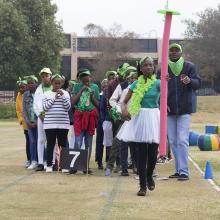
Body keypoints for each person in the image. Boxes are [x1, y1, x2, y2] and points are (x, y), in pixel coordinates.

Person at [117, 56, 160, 196]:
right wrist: (123, 109)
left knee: (153, 153)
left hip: (153, 117)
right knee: (141, 154)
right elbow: (124, 101)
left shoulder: (158, 83)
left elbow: (166, 95)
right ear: (141, 68)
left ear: (154, 68)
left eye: (151, 65)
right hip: (140, 118)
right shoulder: (135, 84)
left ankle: (149, 176)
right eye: (146, 65)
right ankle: (142, 185)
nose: (149, 67)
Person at [166, 43, 201, 181]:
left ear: (181, 53)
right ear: (168, 53)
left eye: (176, 50)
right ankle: (178, 169)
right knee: (173, 141)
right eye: (171, 50)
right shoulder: (164, 68)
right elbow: (157, 87)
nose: (174, 52)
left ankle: (184, 171)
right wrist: (162, 104)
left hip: (185, 109)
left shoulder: (189, 66)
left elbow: (198, 83)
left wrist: (190, 81)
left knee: (182, 140)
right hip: (169, 110)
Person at [72, 69, 99, 174]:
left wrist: (92, 97)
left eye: (88, 81)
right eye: (84, 81)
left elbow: (98, 105)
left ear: (91, 79)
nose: (87, 83)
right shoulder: (77, 86)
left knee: (88, 143)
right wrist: (81, 91)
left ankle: (85, 166)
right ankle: (75, 165)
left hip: (90, 117)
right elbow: (73, 102)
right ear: (80, 80)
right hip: (79, 116)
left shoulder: (95, 87)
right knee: (77, 141)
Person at [42, 74, 71, 172]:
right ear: (51, 83)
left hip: (63, 124)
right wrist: (54, 97)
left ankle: (64, 166)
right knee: (50, 144)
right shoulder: (46, 94)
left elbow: (68, 108)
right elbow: (45, 108)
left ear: (62, 84)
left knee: (63, 145)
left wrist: (62, 96)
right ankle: (49, 165)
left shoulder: (66, 93)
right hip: (49, 124)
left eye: (59, 83)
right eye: (55, 83)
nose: (57, 85)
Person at [33, 67, 52, 171]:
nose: (45, 78)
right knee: (41, 140)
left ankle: (51, 162)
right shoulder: (39, 89)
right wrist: (40, 115)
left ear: (50, 76)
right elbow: (35, 104)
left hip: (52, 118)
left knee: (52, 141)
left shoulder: (54, 87)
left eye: (47, 76)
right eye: (43, 76)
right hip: (41, 118)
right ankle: (40, 163)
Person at [23, 75, 39, 170]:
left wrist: (37, 121)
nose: (30, 84)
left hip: (39, 122)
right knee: (32, 142)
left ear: (36, 83)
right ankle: (33, 161)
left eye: (32, 82)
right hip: (29, 122)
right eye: (28, 83)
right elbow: (24, 110)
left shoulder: (39, 93)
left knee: (39, 142)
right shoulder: (26, 94)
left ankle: (42, 160)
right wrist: (28, 121)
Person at [15, 77, 30, 168]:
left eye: (23, 87)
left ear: (26, 87)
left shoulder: (29, 94)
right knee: (28, 141)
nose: (21, 89)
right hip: (25, 124)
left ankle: (38, 160)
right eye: (20, 87)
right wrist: (21, 120)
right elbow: (18, 110)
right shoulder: (18, 96)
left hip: (33, 122)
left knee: (35, 142)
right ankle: (29, 160)